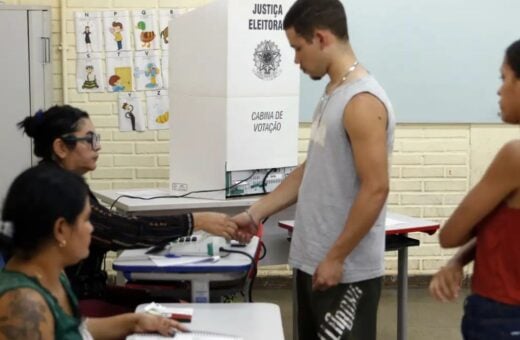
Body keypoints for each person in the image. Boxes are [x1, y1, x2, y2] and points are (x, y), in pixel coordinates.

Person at [233, 0, 395, 338]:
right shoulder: (333, 93)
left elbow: (376, 188)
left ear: (321, 38)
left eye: (297, 47)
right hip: (313, 259)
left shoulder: (362, 102)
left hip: (344, 270)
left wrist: (336, 257)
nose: (295, 59)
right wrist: (255, 212)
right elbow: (313, 168)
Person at [17, 105, 239, 316]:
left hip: (84, 292)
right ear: (61, 147)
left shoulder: (58, 180)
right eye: (90, 139)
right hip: (70, 302)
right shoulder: (57, 190)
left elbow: (115, 225)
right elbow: (121, 231)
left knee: (172, 304)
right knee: (173, 311)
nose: (98, 146)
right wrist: (195, 221)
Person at [0, 165, 186, 339]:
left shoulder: (52, 273)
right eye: (86, 219)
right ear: (61, 230)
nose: (91, 229)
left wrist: (134, 321)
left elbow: (77, 330)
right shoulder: (24, 305)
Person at [429, 39, 520, 339]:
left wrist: (455, 254)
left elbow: (451, 234)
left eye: (503, 77)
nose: (499, 89)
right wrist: (459, 260)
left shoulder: (514, 157)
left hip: (503, 315)